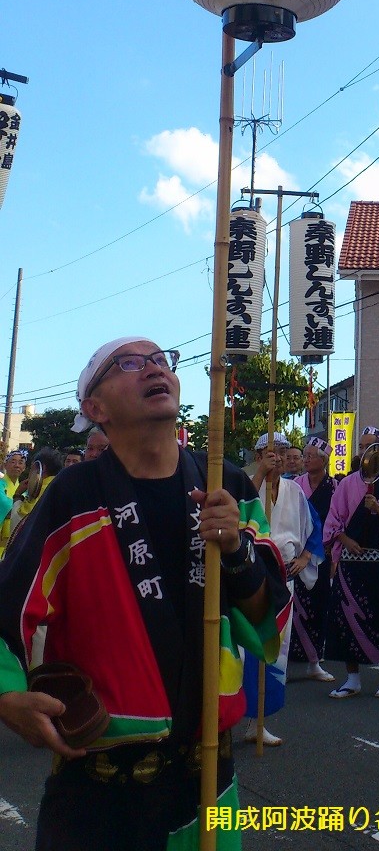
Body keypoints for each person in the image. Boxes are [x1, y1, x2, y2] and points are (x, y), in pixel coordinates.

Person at [0, 337, 290, 851]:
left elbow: (267, 614)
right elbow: (8, 603)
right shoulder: (72, 495)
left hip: (208, 778)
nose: (154, 369)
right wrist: (7, 698)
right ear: (95, 408)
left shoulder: (226, 484)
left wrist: (235, 548)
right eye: (129, 364)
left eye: (160, 360)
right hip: (99, 790)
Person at [242, 432, 323, 746]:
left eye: (283, 452)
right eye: (271, 453)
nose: (278, 458)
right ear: (258, 455)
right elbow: (238, 512)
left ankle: (259, 720)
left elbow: (314, 527)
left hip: (283, 577)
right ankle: (231, 717)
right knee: (245, 648)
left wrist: (305, 557)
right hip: (250, 577)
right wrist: (260, 475)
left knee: (275, 649)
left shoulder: (294, 491)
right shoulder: (247, 485)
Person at [323, 427, 379, 699]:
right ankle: (352, 678)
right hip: (349, 563)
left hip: (378, 562)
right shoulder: (346, 484)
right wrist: (345, 539)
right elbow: (334, 519)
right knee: (345, 618)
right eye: (362, 445)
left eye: (370, 445)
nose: (364, 450)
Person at [290, 435, 336, 682]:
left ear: (323, 460)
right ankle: (291, 659)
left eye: (309, 456)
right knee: (294, 605)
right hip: (297, 553)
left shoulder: (335, 487)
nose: (305, 460)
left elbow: (338, 520)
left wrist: (333, 552)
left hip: (322, 553)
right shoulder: (295, 485)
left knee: (319, 605)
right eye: (304, 456)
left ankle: (315, 659)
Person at [0, 449, 27, 555]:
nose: (17, 465)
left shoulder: (25, 490)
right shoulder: (1, 485)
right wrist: (20, 509)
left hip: (15, 543)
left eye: (20, 463)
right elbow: (5, 506)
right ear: (5, 465)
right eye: (13, 461)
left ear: (24, 468)